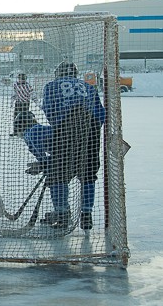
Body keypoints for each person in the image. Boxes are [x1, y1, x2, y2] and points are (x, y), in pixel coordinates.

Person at [40, 62, 105, 230]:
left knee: (58, 174)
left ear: (58, 73)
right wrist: (90, 129)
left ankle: (62, 214)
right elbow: (100, 113)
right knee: (88, 174)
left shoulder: (51, 86)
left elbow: (49, 110)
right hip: (90, 130)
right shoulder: (88, 87)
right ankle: (86, 215)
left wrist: (61, 129)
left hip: (65, 129)